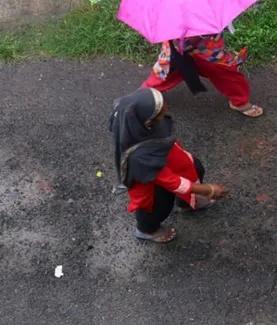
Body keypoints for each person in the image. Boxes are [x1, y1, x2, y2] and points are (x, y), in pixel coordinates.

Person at [108, 88, 229, 243]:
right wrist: (208, 190)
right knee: (156, 209)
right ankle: (147, 230)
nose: (166, 108)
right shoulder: (141, 158)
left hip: (172, 161)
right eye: (161, 111)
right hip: (153, 184)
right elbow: (171, 182)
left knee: (196, 168)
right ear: (149, 120)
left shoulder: (140, 124)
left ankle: (187, 202)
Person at [141, 24, 263, 118]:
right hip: (188, 47)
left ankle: (239, 101)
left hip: (206, 49)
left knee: (225, 74)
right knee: (167, 72)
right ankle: (142, 97)